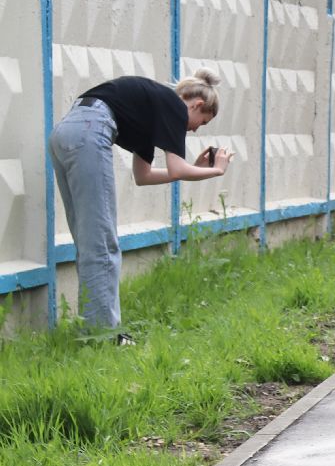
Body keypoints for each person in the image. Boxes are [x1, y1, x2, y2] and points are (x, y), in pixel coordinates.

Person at [49, 69, 234, 339]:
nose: (194, 129)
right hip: (90, 132)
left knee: (90, 241)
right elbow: (177, 168)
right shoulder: (174, 106)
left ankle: (93, 330)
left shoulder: (152, 111)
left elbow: (143, 176)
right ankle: (105, 335)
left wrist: (195, 169)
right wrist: (216, 170)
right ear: (197, 105)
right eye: (201, 122)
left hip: (66, 132)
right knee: (102, 243)